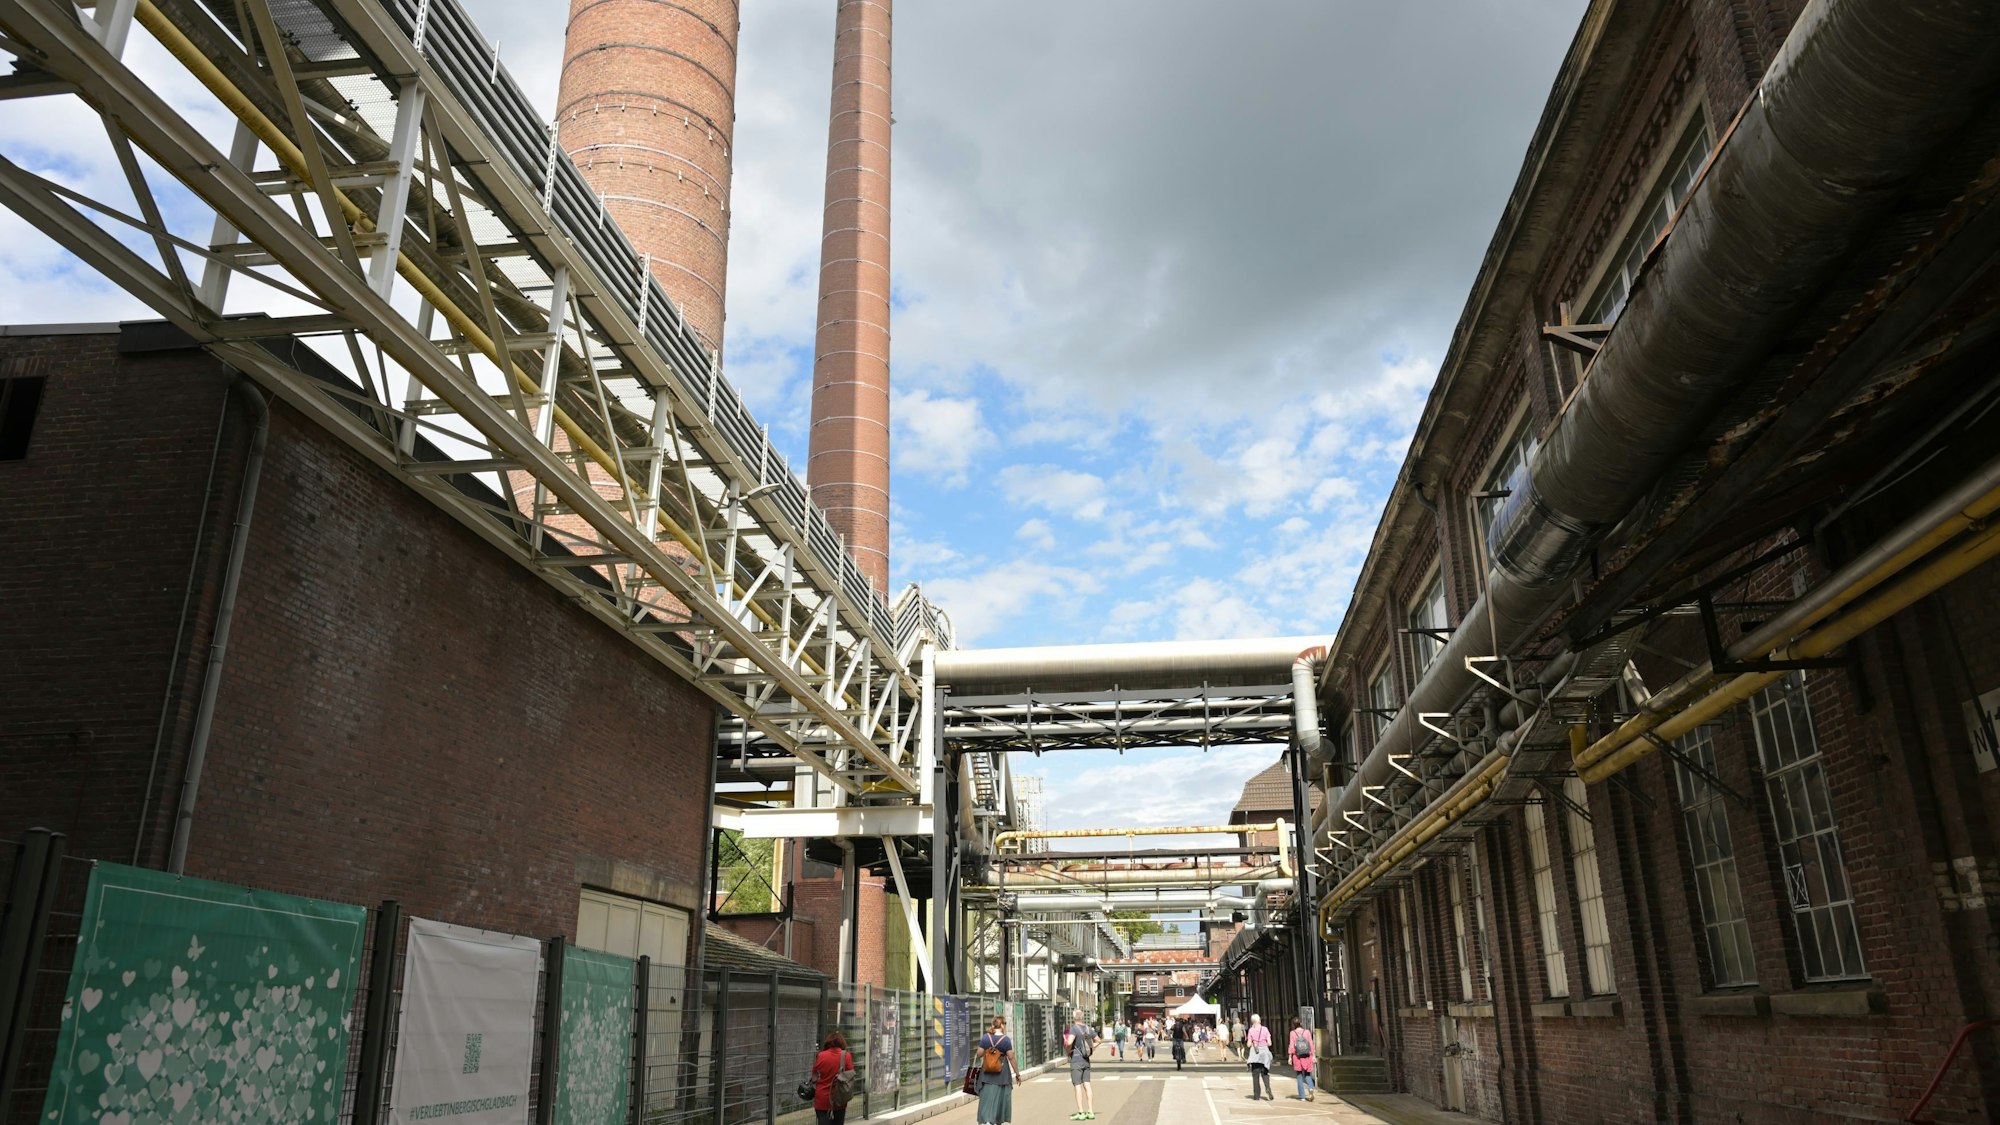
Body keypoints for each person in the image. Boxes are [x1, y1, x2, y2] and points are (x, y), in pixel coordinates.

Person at [976, 1015, 1020, 1125]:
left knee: (986, 1098)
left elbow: (979, 1054)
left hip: (986, 1074)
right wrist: (1017, 1074)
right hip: (1002, 1075)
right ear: (1001, 1025)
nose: (1005, 1026)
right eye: (1004, 1024)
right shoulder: (1005, 1040)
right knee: (1000, 1099)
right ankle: (997, 1120)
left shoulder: (986, 1037)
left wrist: (988, 1049)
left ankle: (986, 1119)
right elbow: (1011, 1058)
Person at [811, 1031, 854, 1125]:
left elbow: (814, 1075)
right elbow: (851, 1074)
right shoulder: (846, 1056)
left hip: (822, 1099)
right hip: (839, 1098)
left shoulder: (821, 1055)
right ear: (842, 1043)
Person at [1066, 1009, 1098, 1120]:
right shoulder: (1088, 1028)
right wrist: (1091, 1050)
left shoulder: (1074, 1029)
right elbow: (1098, 1040)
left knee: (1077, 1085)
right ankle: (1090, 1110)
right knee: (1087, 1084)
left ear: (1074, 1018)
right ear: (1082, 1017)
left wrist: (1067, 1047)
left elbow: (1070, 1042)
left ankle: (1081, 1112)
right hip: (1086, 1059)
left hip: (1076, 1059)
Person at [1244, 1013, 1274, 1101]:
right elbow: (1269, 1043)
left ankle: (1256, 1096)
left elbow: (1249, 1044)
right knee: (1265, 1073)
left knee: (1255, 1076)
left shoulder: (1250, 1030)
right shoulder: (1265, 1029)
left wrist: (1254, 1042)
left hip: (1254, 1055)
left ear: (1252, 1021)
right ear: (1259, 1020)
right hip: (1264, 1054)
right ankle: (1267, 1088)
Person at [1287, 1018, 1316, 1102]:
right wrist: (1313, 1055)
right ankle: (1310, 1088)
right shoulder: (1307, 1032)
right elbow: (1311, 1043)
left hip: (1297, 1056)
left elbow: (1291, 1045)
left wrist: (1290, 1057)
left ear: (1293, 1024)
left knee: (1299, 1076)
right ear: (1301, 1023)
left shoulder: (1292, 1033)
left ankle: (1302, 1096)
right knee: (1307, 1074)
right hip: (1307, 1056)